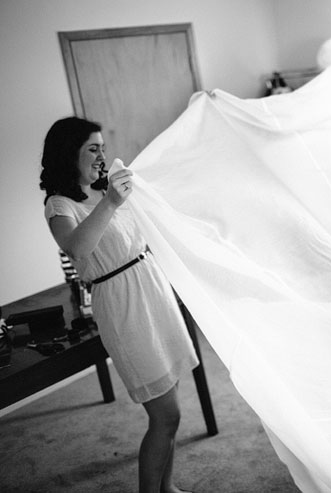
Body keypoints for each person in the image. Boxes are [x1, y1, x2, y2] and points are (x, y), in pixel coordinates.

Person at [39, 117, 198, 493]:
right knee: (166, 416)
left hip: (151, 288)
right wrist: (111, 201)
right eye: (92, 149)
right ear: (69, 153)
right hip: (123, 304)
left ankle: (167, 487)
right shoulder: (59, 205)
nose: (101, 156)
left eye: (102, 148)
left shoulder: (106, 189)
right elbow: (78, 250)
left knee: (171, 407)